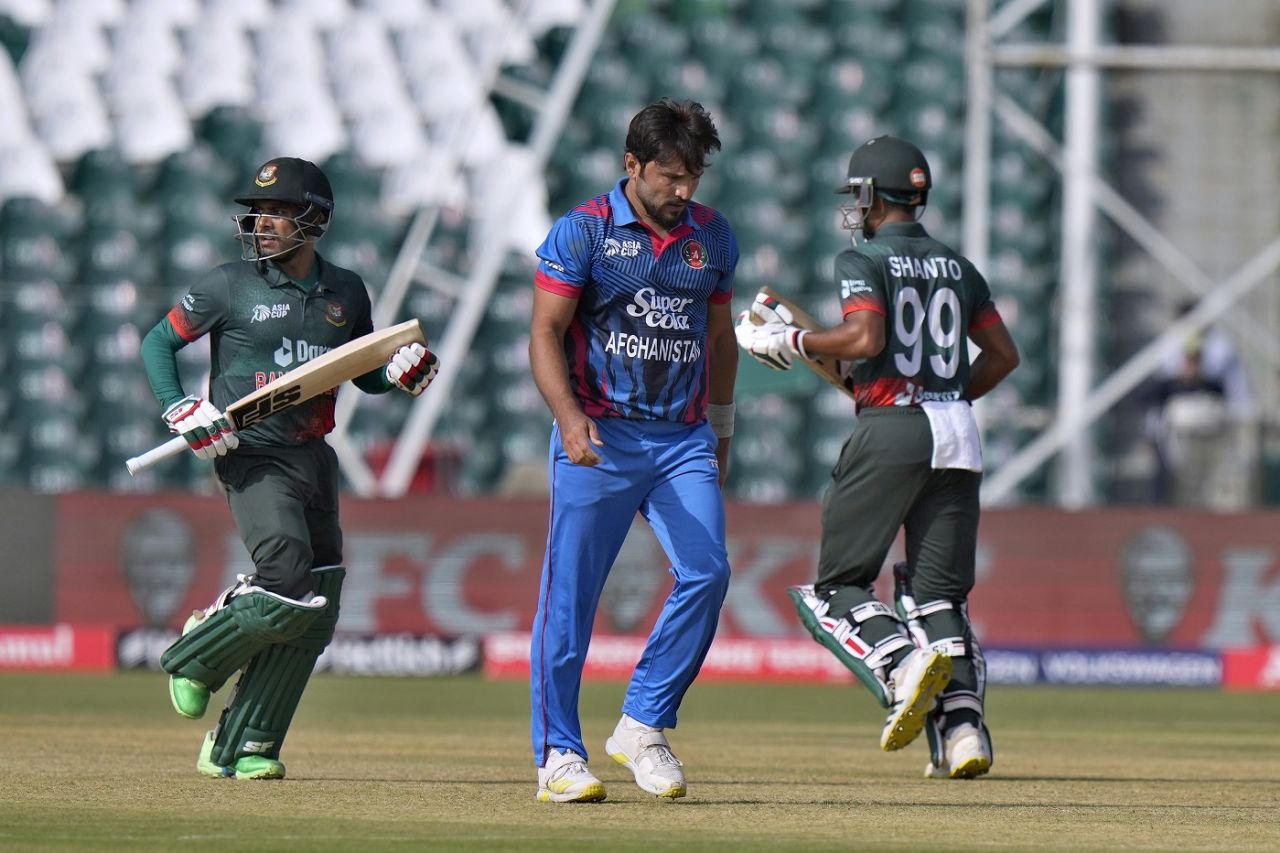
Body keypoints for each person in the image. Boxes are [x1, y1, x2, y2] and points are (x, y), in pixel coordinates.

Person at [140, 156, 439, 779]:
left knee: (319, 602)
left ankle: (246, 746)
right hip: (248, 452)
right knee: (285, 574)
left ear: (317, 219)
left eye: (278, 211)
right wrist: (180, 406)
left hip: (314, 456)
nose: (262, 222)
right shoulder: (229, 284)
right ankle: (196, 654)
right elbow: (157, 343)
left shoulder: (347, 291)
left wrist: (401, 372)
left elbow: (362, 372)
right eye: (258, 211)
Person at [735, 135, 1020, 779]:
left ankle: (897, 663)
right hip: (958, 431)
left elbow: (865, 337)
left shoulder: (863, 259)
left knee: (835, 587)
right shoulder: (959, 266)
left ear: (869, 195)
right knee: (938, 594)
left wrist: (792, 336)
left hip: (894, 427)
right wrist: (945, 394)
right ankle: (965, 729)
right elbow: (1004, 357)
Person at [527, 98, 739, 803]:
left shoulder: (714, 236)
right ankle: (558, 754)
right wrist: (568, 417)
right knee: (570, 601)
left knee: (707, 572)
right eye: (670, 176)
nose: (683, 192)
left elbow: (720, 339)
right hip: (601, 433)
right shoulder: (584, 231)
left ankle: (642, 722)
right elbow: (544, 333)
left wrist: (723, 428)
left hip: (681, 438)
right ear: (632, 165)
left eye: (693, 177)